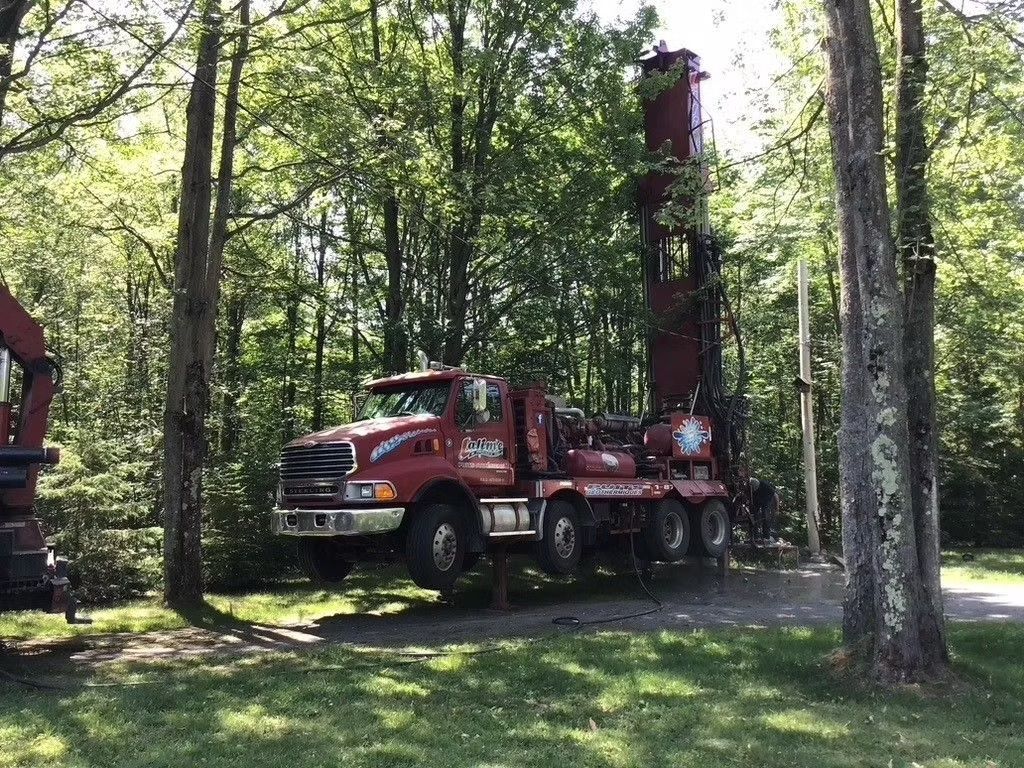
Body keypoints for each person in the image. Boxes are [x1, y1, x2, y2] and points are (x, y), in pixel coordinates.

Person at [749, 477, 780, 542]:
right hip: (757, 500)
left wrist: (777, 509)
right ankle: (755, 536)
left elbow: (776, 496)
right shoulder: (749, 487)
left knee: (765, 516)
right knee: (753, 516)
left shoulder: (765, 485)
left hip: (767, 500)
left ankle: (766, 537)